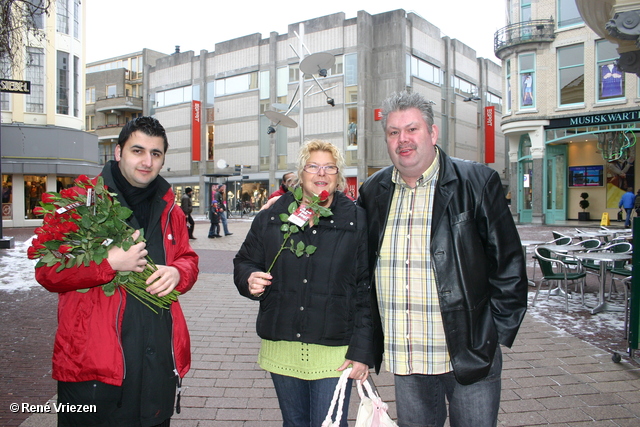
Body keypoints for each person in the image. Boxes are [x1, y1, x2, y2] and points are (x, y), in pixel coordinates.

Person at [358, 91, 528, 427]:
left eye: (412, 129)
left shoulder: (477, 182)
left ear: (432, 133)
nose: (402, 140)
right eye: (393, 132)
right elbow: (358, 264)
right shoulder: (372, 191)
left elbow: (508, 261)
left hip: (469, 352)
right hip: (407, 357)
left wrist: (494, 332)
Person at [33, 116, 199, 426]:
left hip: (156, 366)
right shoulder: (81, 205)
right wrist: (108, 264)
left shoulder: (171, 211)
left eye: (156, 153)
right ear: (118, 152)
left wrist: (178, 272)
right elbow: (48, 272)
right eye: (138, 150)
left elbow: (188, 258)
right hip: (92, 369)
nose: (147, 161)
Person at [234, 139, 373, 427]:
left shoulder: (355, 219)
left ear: (338, 176)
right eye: (313, 166)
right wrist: (249, 279)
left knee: (329, 424)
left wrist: (362, 350)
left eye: (329, 167)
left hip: (335, 350)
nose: (321, 173)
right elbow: (245, 261)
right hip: (282, 342)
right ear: (301, 172)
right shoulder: (273, 215)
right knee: (294, 423)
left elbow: (366, 288)